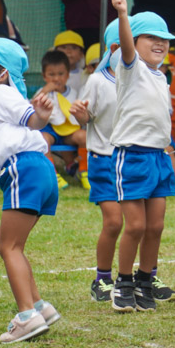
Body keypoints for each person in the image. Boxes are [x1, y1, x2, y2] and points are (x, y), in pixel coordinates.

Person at [0, 38, 60, 343]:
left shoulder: (1, 92)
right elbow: (28, 125)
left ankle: (26, 317)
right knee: (8, 243)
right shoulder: (0, 95)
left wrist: (41, 115)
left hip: (26, 169)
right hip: (36, 169)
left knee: (9, 246)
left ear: (2, 72)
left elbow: (32, 120)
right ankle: (40, 308)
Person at [108, 0, 175, 313]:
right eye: (151, 37)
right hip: (132, 156)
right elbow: (125, 44)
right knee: (134, 225)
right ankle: (122, 282)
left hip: (158, 157)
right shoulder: (130, 67)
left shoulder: (161, 76)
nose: (161, 44)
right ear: (135, 41)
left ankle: (145, 279)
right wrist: (123, 14)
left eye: (164, 39)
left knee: (156, 226)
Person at [68, 21, 122, 302]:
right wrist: (79, 114)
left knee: (143, 224)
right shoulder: (98, 80)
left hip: (134, 160)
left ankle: (141, 278)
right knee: (114, 222)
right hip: (104, 159)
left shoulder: (144, 77)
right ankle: (102, 279)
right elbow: (84, 117)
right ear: (115, 48)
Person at [34, 50, 86, 189]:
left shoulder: (73, 93)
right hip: (50, 129)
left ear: (68, 75)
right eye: (51, 75)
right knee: (42, 140)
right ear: (44, 76)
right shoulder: (42, 92)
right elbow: (32, 106)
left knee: (84, 137)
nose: (56, 78)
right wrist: (45, 90)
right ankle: (52, 174)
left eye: (61, 74)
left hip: (68, 130)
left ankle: (83, 171)